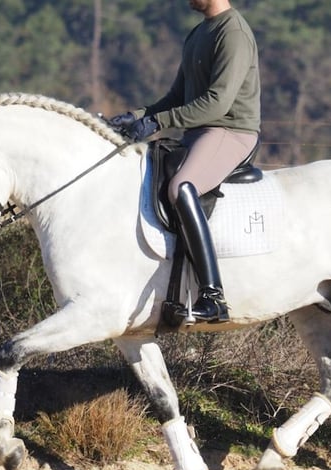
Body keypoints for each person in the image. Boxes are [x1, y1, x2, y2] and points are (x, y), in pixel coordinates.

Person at [108, 0, 260, 324]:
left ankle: (213, 296)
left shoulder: (232, 33)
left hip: (230, 130)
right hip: (199, 131)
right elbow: (177, 97)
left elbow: (217, 103)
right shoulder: (199, 33)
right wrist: (136, 116)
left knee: (181, 187)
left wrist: (158, 123)